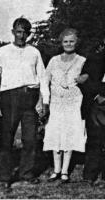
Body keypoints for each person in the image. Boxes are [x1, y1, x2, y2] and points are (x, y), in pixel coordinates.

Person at [0, 17, 50, 190]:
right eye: (18, 31)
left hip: (30, 97)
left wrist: (45, 102)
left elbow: (43, 78)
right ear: (13, 32)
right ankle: (5, 176)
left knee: (30, 139)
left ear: (29, 34)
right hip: (9, 98)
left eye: (25, 32)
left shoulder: (34, 52)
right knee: (6, 139)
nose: (21, 35)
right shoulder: (2, 52)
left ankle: (26, 173)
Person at [43, 28, 88, 183]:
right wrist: (46, 100)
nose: (68, 44)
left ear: (77, 42)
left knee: (69, 135)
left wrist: (83, 78)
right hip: (56, 102)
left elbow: (88, 78)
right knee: (56, 134)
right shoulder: (54, 60)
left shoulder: (82, 60)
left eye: (72, 41)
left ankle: (64, 171)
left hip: (73, 101)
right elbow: (45, 80)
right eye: (65, 41)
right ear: (61, 43)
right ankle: (55, 170)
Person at [80, 53, 105, 186]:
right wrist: (97, 95)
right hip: (96, 104)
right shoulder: (95, 58)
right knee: (94, 140)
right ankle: (89, 175)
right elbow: (85, 80)